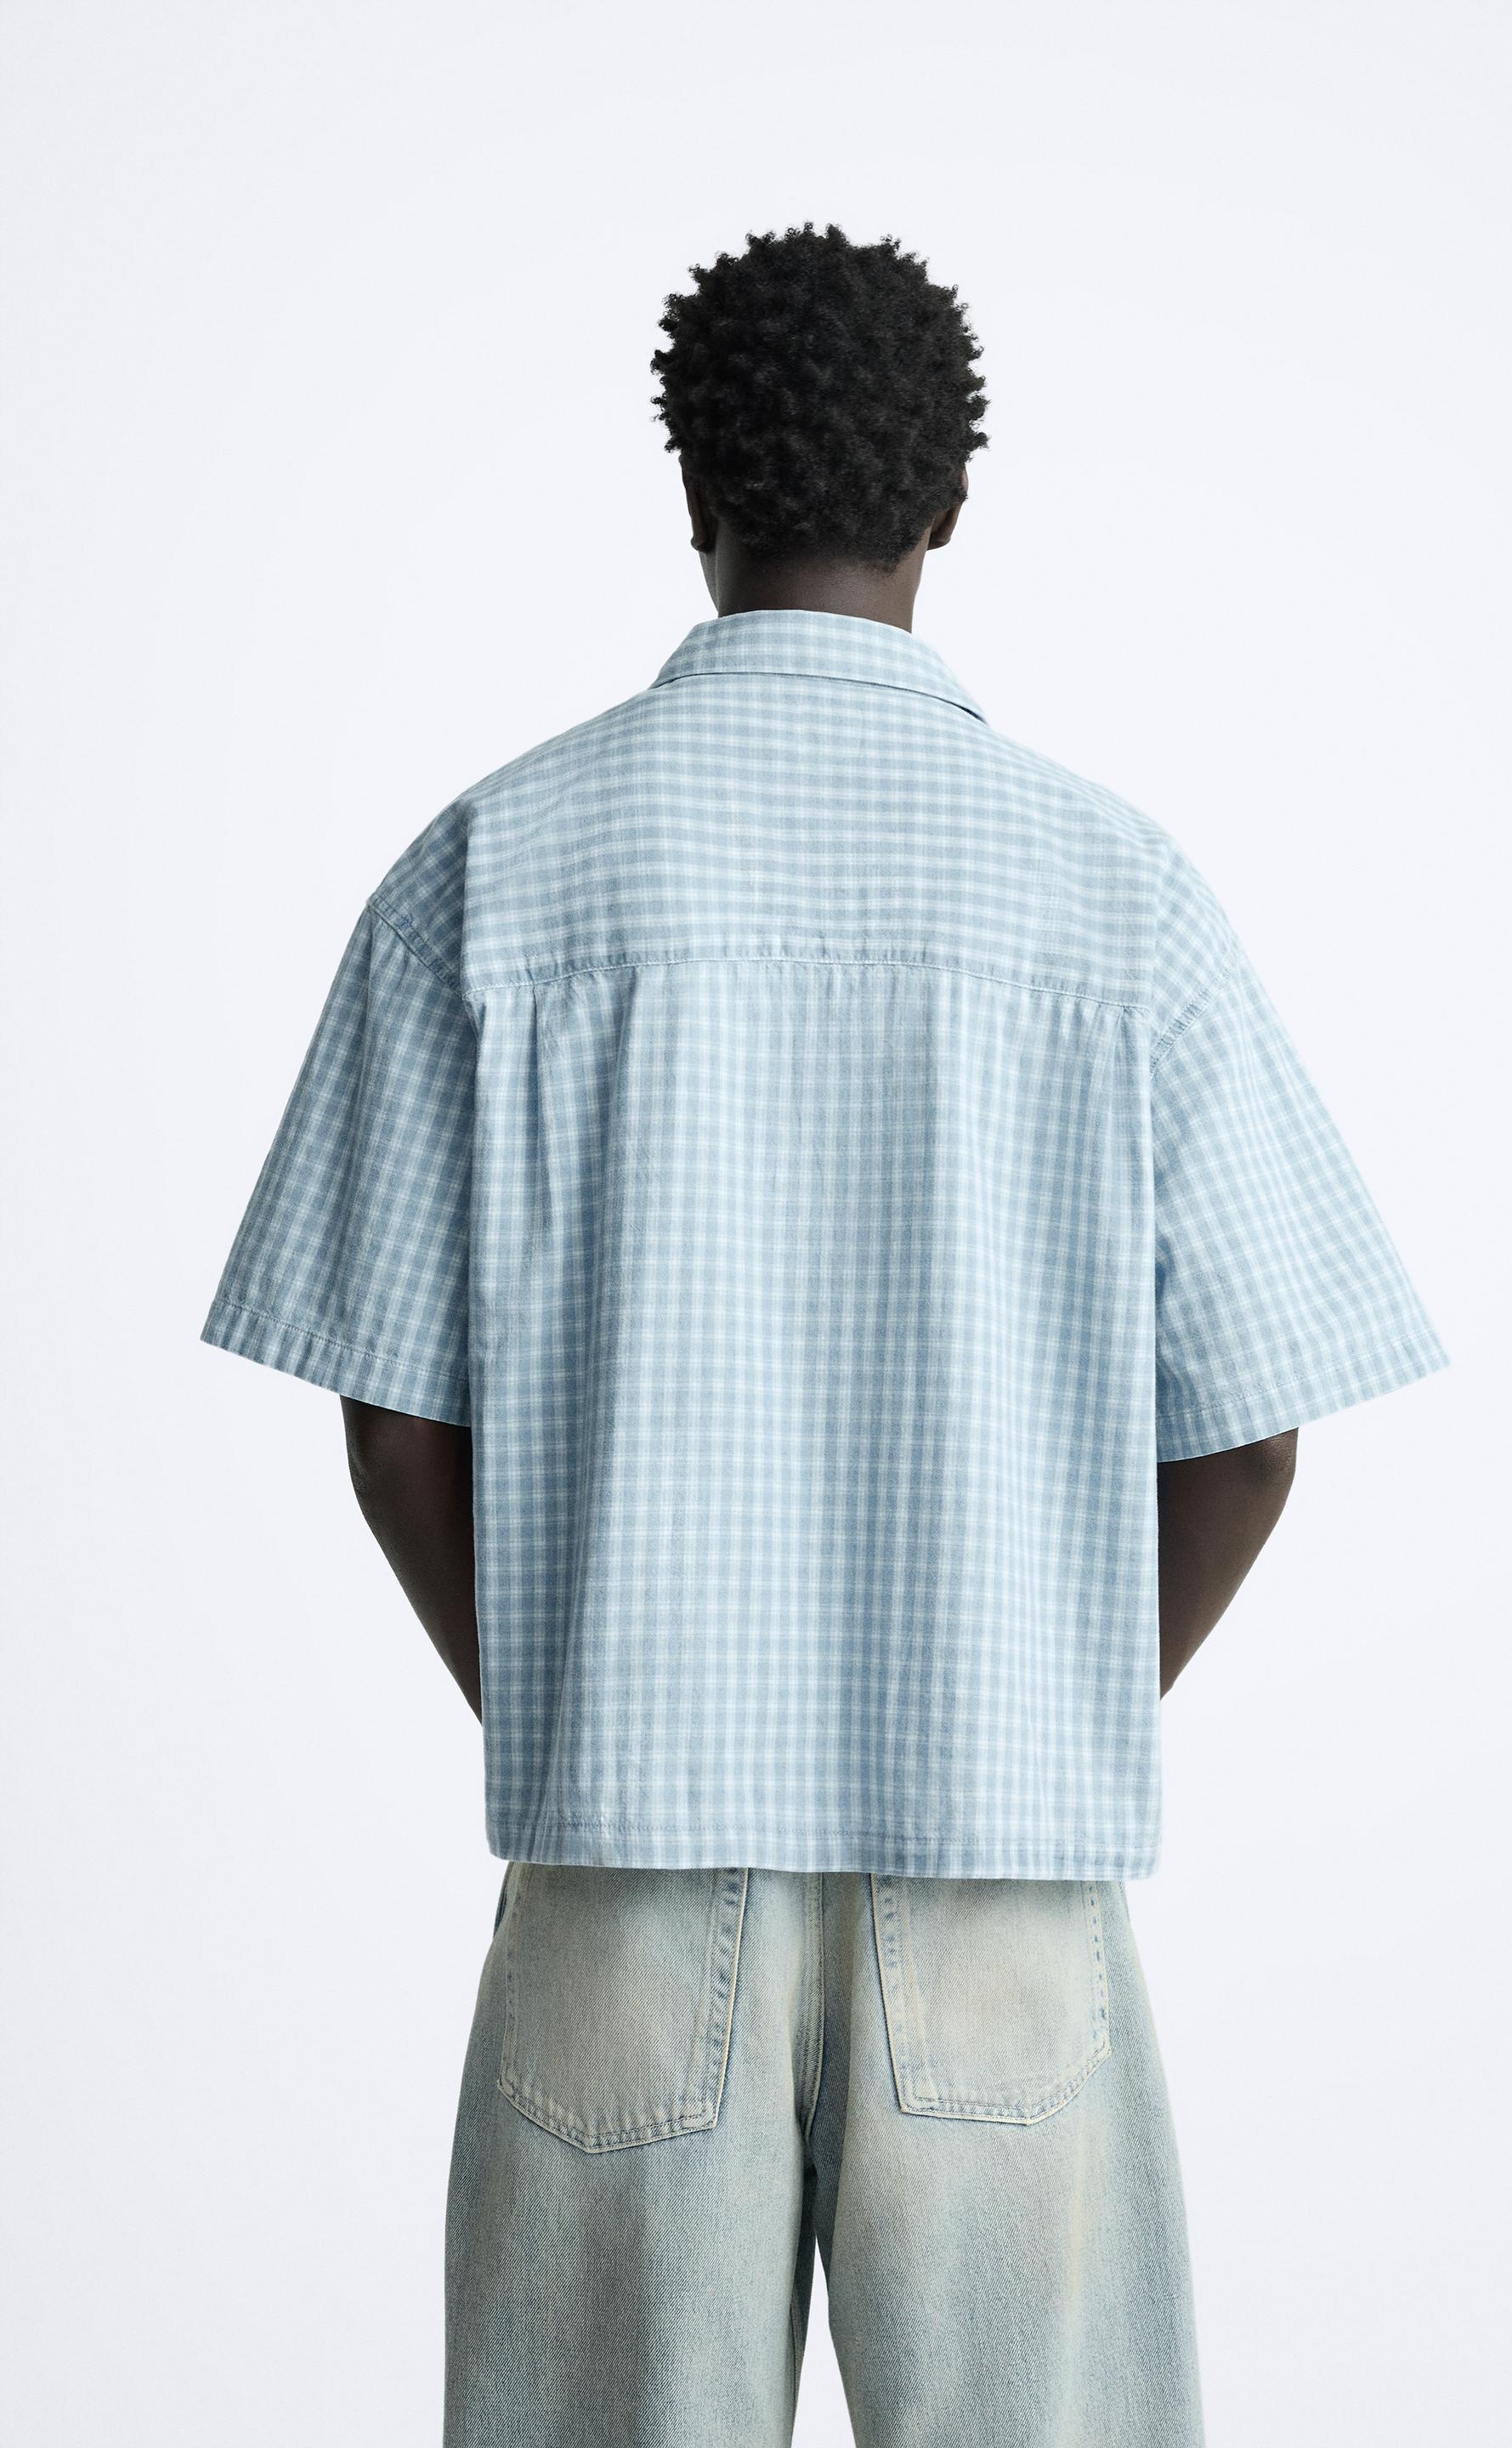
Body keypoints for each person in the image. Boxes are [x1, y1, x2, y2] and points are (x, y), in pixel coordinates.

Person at [201, 223, 1448, 2447]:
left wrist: (577, 1708)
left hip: (619, 1882)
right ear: (949, 503)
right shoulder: (1121, 898)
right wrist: (1049, 1701)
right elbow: (1256, 1441)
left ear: (692, 485)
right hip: (1000, 1897)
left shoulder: (491, 871)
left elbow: (391, 1430)